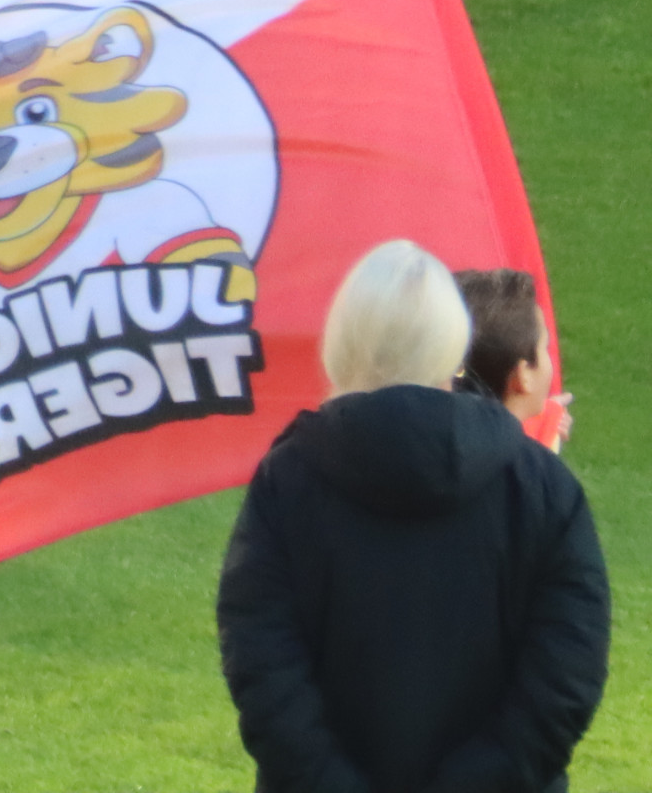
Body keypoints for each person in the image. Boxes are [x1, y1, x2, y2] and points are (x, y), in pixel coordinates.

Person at [217, 241, 609, 793]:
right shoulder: (542, 487)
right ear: (452, 345)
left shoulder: (290, 481)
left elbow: (263, 666)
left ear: (342, 338)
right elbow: (567, 673)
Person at [456, 266, 574, 452]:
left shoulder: (432, 436)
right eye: (544, 348)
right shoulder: (524, 467)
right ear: (523, 375)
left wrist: (544, 420)